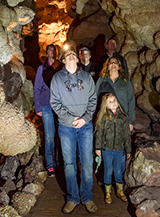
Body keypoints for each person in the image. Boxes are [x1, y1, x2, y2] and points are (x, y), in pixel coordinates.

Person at [50, 43, 98, 214]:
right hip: (66, 127)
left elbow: (93, 99)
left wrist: (84, 119)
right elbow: (54, 102)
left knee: (86, 163)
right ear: (63, 60)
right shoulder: (57, 79)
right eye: (67, 54)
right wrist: (71, 119)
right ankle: (72, 198)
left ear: (77, 58)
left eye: (73, 53)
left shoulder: (86, 77)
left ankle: (87, 197)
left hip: (85, 126)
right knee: (69, 164)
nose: (70, 55)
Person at [94, 93, 131, 204]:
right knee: (108, 170)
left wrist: (128, 149)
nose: (114, 103)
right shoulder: (104, 118)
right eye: (110, 101)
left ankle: (120, 191)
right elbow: (99, 134)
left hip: (119, 149)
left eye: (114, 100)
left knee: (118, 171)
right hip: (107, 149)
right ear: (106, 105)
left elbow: (126, 134)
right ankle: (108, 192)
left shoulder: (123, 117)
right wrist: (98, 147)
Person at [34, 44, 63, 177]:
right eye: (49, 50)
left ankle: (59, 162)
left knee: (60, 135)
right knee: (49, 136)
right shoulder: (42, 68)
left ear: (56, 52)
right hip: (46, 106)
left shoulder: (61, 67)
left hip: (60, 106)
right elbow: (37, 88)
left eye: (53, 50)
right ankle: (50, 165)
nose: (51, 52)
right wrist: (38, 106)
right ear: (46, 53)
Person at [96, 57, 135, 132]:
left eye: (115, 62)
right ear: (107, 66)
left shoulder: (126, 83)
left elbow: (131, 102)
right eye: (111, 62)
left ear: (119, 67)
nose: (113, 64)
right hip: (106, 119)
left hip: (122, 119)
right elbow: (95, 97)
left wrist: (131, 121)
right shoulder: (102, 80)